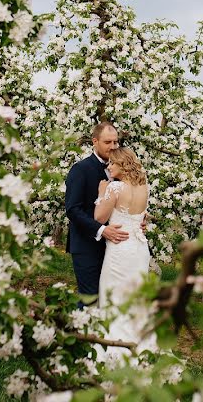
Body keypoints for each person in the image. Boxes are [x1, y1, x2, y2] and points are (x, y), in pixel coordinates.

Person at [93, 147, 154, 360]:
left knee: (113, 296)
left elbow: (100, 217)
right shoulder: (144, 187)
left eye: (112, 164)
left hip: (119, 249)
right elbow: (142, 218)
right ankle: (138, 343)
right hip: (139, 249)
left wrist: (101, 194)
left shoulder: (115, 188)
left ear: (123, 165)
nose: (108, 167)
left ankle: (112, 349)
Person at [64, 122, 129, 299]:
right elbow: (72, 209)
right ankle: (72, 327)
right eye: (108, 142)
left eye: (116, 142)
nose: (113, 147)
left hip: (115, 248)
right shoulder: (80, 169)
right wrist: (102, 230)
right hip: (86, 246)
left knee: (109, 300)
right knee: (90, 298)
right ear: (95, 141)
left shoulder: (121, 170)